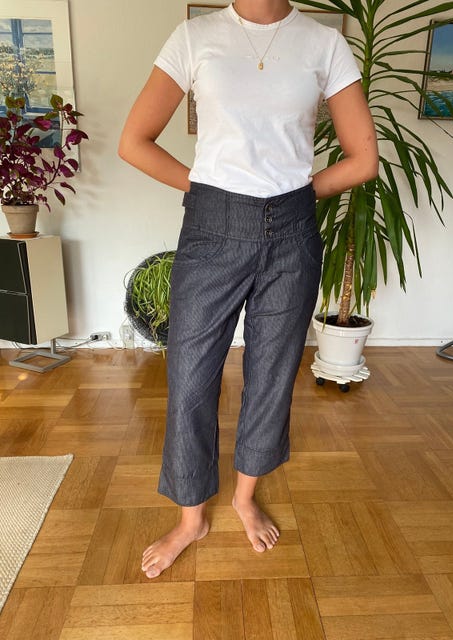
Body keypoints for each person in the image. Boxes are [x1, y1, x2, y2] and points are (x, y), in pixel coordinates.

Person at [118, 0, 378, 579]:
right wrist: (206, 190)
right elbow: (134, 141)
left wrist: (295, 197)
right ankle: (191, 519)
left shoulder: (324, 43)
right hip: (211, 227)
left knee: (272, 375)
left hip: (292, 234)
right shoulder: (195, 36)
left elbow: (364, 160)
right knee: (190, 375)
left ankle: (243, 497)